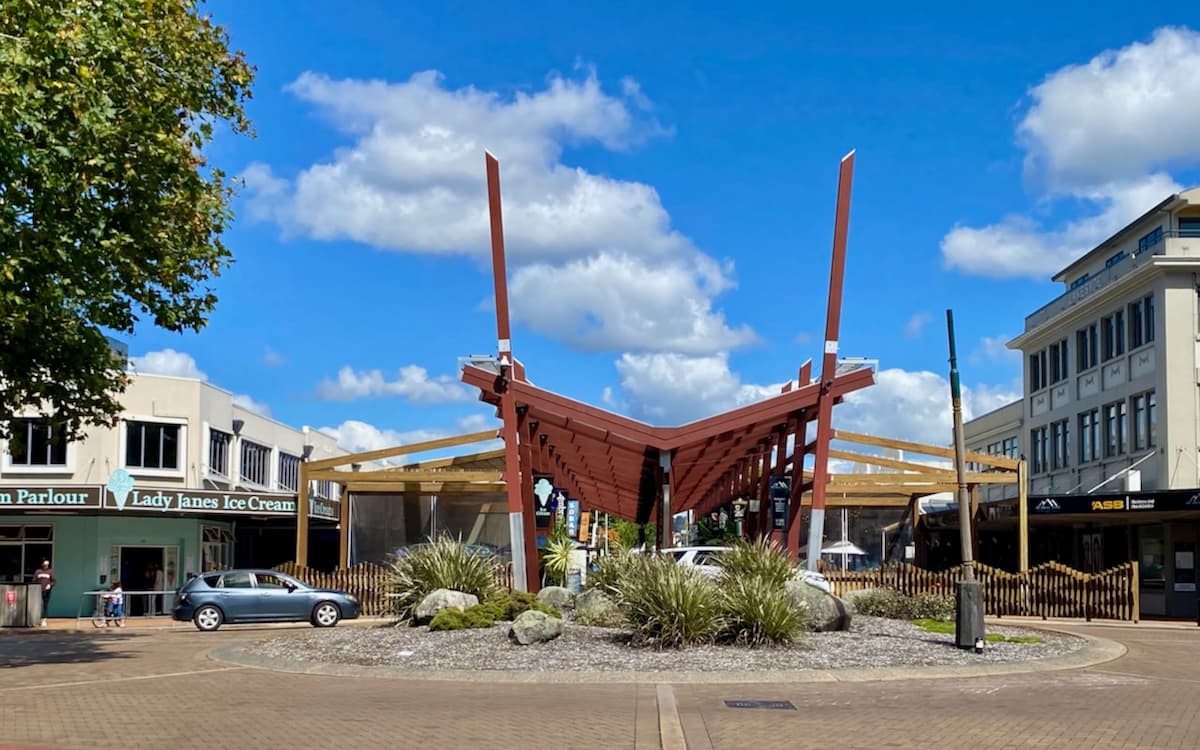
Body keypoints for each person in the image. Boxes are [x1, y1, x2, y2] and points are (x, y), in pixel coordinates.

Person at [32, 559, 55, 627]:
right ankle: (36, 619)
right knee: (38, 605)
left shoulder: (50, 572)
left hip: (47, 591)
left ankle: (44, 620)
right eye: (45, 565)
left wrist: (50, 585)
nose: (46, 566)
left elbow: (53, 581)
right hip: (38, 591)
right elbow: (33, 580)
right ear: (42, 564)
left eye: (47, 565)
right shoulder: (38, 571)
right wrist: (37, 585)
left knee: (45, 605)